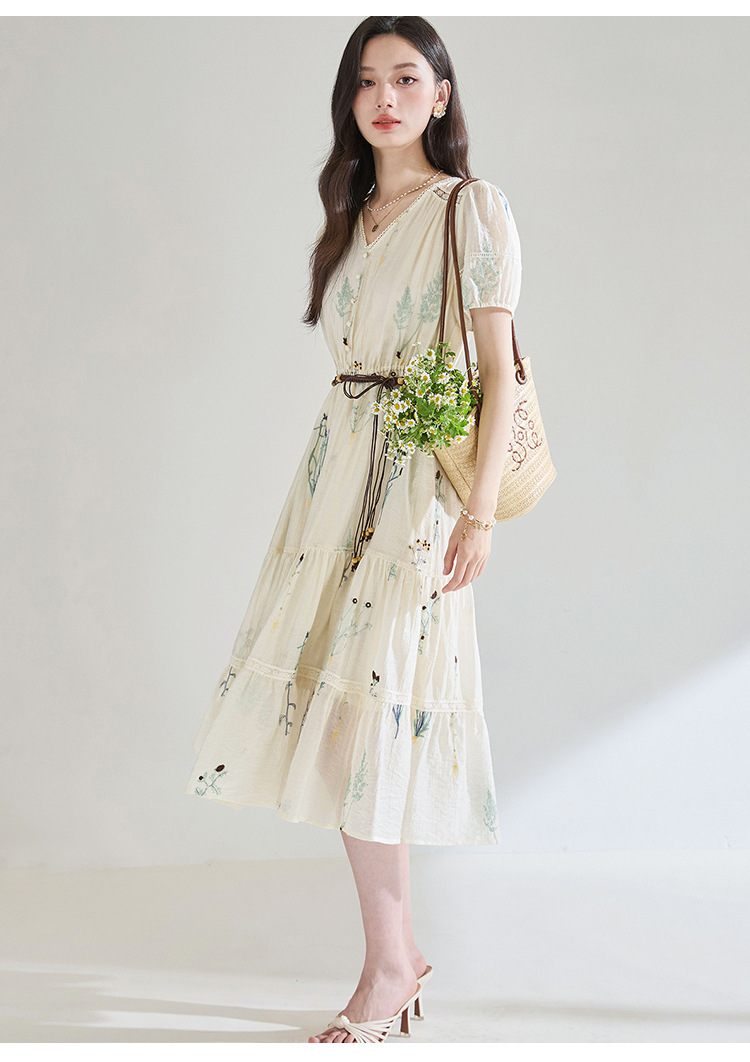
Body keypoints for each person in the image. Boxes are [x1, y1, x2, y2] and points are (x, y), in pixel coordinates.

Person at [184, 15, 522, 1045]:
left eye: (407, 78)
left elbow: (501, 373)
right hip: (334, 486)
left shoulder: (471, 208)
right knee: (338, 724)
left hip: (419, 490)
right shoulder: (351, 212)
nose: (385, 98)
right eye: (367, 81)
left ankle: (388, 970)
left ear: (441, 96)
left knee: (373, 716)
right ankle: (396, 959)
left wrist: (479, 513)